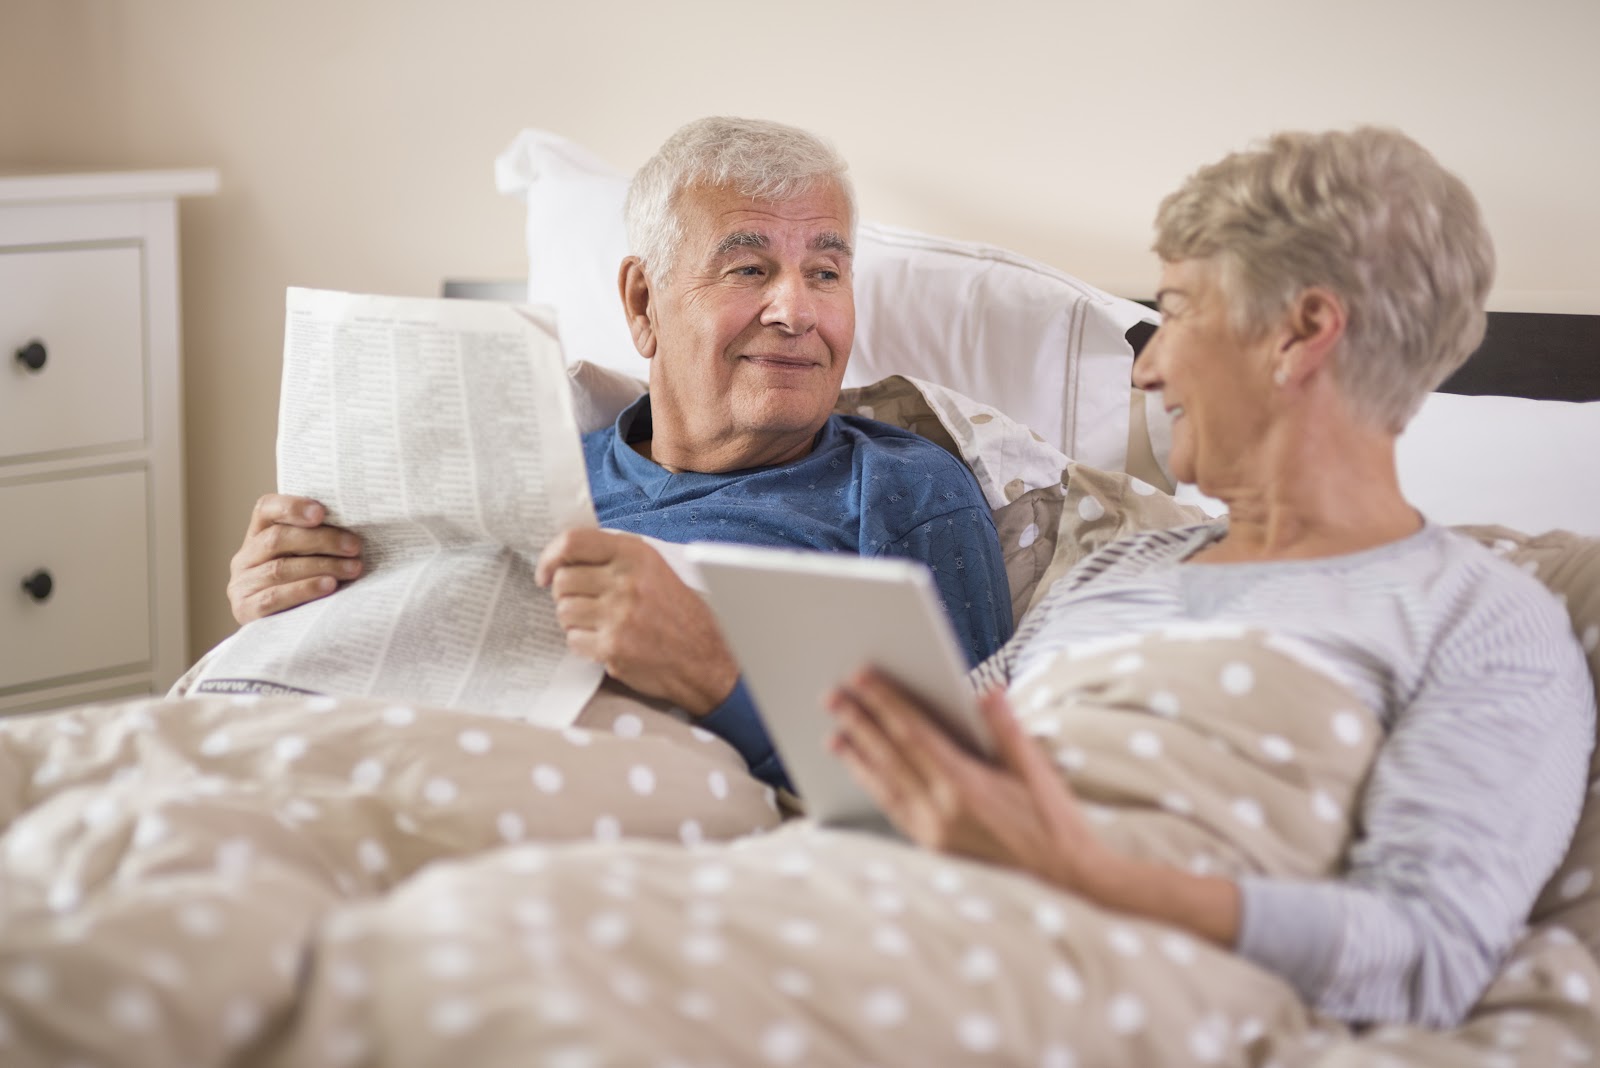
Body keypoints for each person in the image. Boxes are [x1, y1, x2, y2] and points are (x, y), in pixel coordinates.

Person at [825, 126, 1595, 1027]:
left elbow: (1425, 958)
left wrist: (1080, 873)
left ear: (1301, 334)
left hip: (1057, 970)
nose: (1148, 367)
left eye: (1179, 311)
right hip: (884, 900)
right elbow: (948, 737)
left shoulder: (1479, 614)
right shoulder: (1124, 563)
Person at [226, 116, 1013, 792]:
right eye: (749, 269)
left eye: (826, 272)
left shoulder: (906, 496)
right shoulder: (533, 476)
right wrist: (292, 605)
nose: (796, 310)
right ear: (643, 302)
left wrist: (715, 672)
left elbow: (965, 810)